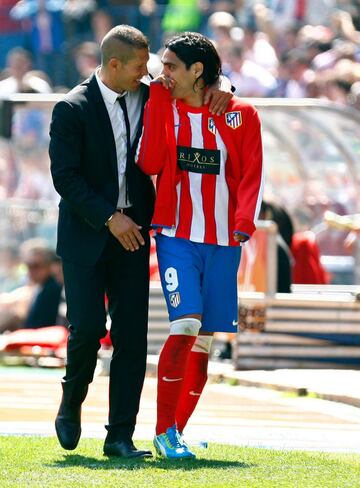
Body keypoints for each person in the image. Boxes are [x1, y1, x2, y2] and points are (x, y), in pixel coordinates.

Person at [49, 24, 232, 459]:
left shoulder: (150, 95)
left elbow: (194, 81)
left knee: (131, 336)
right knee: (88, 330)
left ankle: (120, 436)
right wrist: (110, 218)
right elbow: (66, 179)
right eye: (138, 66)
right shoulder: (71, 108)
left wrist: (224, 86)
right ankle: (71, 402)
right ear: (113, 64)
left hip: (134, 237)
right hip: (87, 237)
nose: (147, 74)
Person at [137, 32, 263, 459]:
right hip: (176, 236)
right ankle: (161, 432)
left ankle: (175, 432)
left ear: (198, 71)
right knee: (185, 327)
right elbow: (150, 162)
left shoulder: (239, 113)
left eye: (171, 66)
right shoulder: (163, 106)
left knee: (205, 341)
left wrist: (244, 224)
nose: (163, 73)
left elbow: (252, 173)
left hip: (225, 241)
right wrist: (157, 99)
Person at [0, 239, 64, 334]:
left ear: (49, 265)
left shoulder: (51, 289)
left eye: (36, 266)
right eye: (28, 266)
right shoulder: (41, 287)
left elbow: (39, 325)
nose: (31, 271)